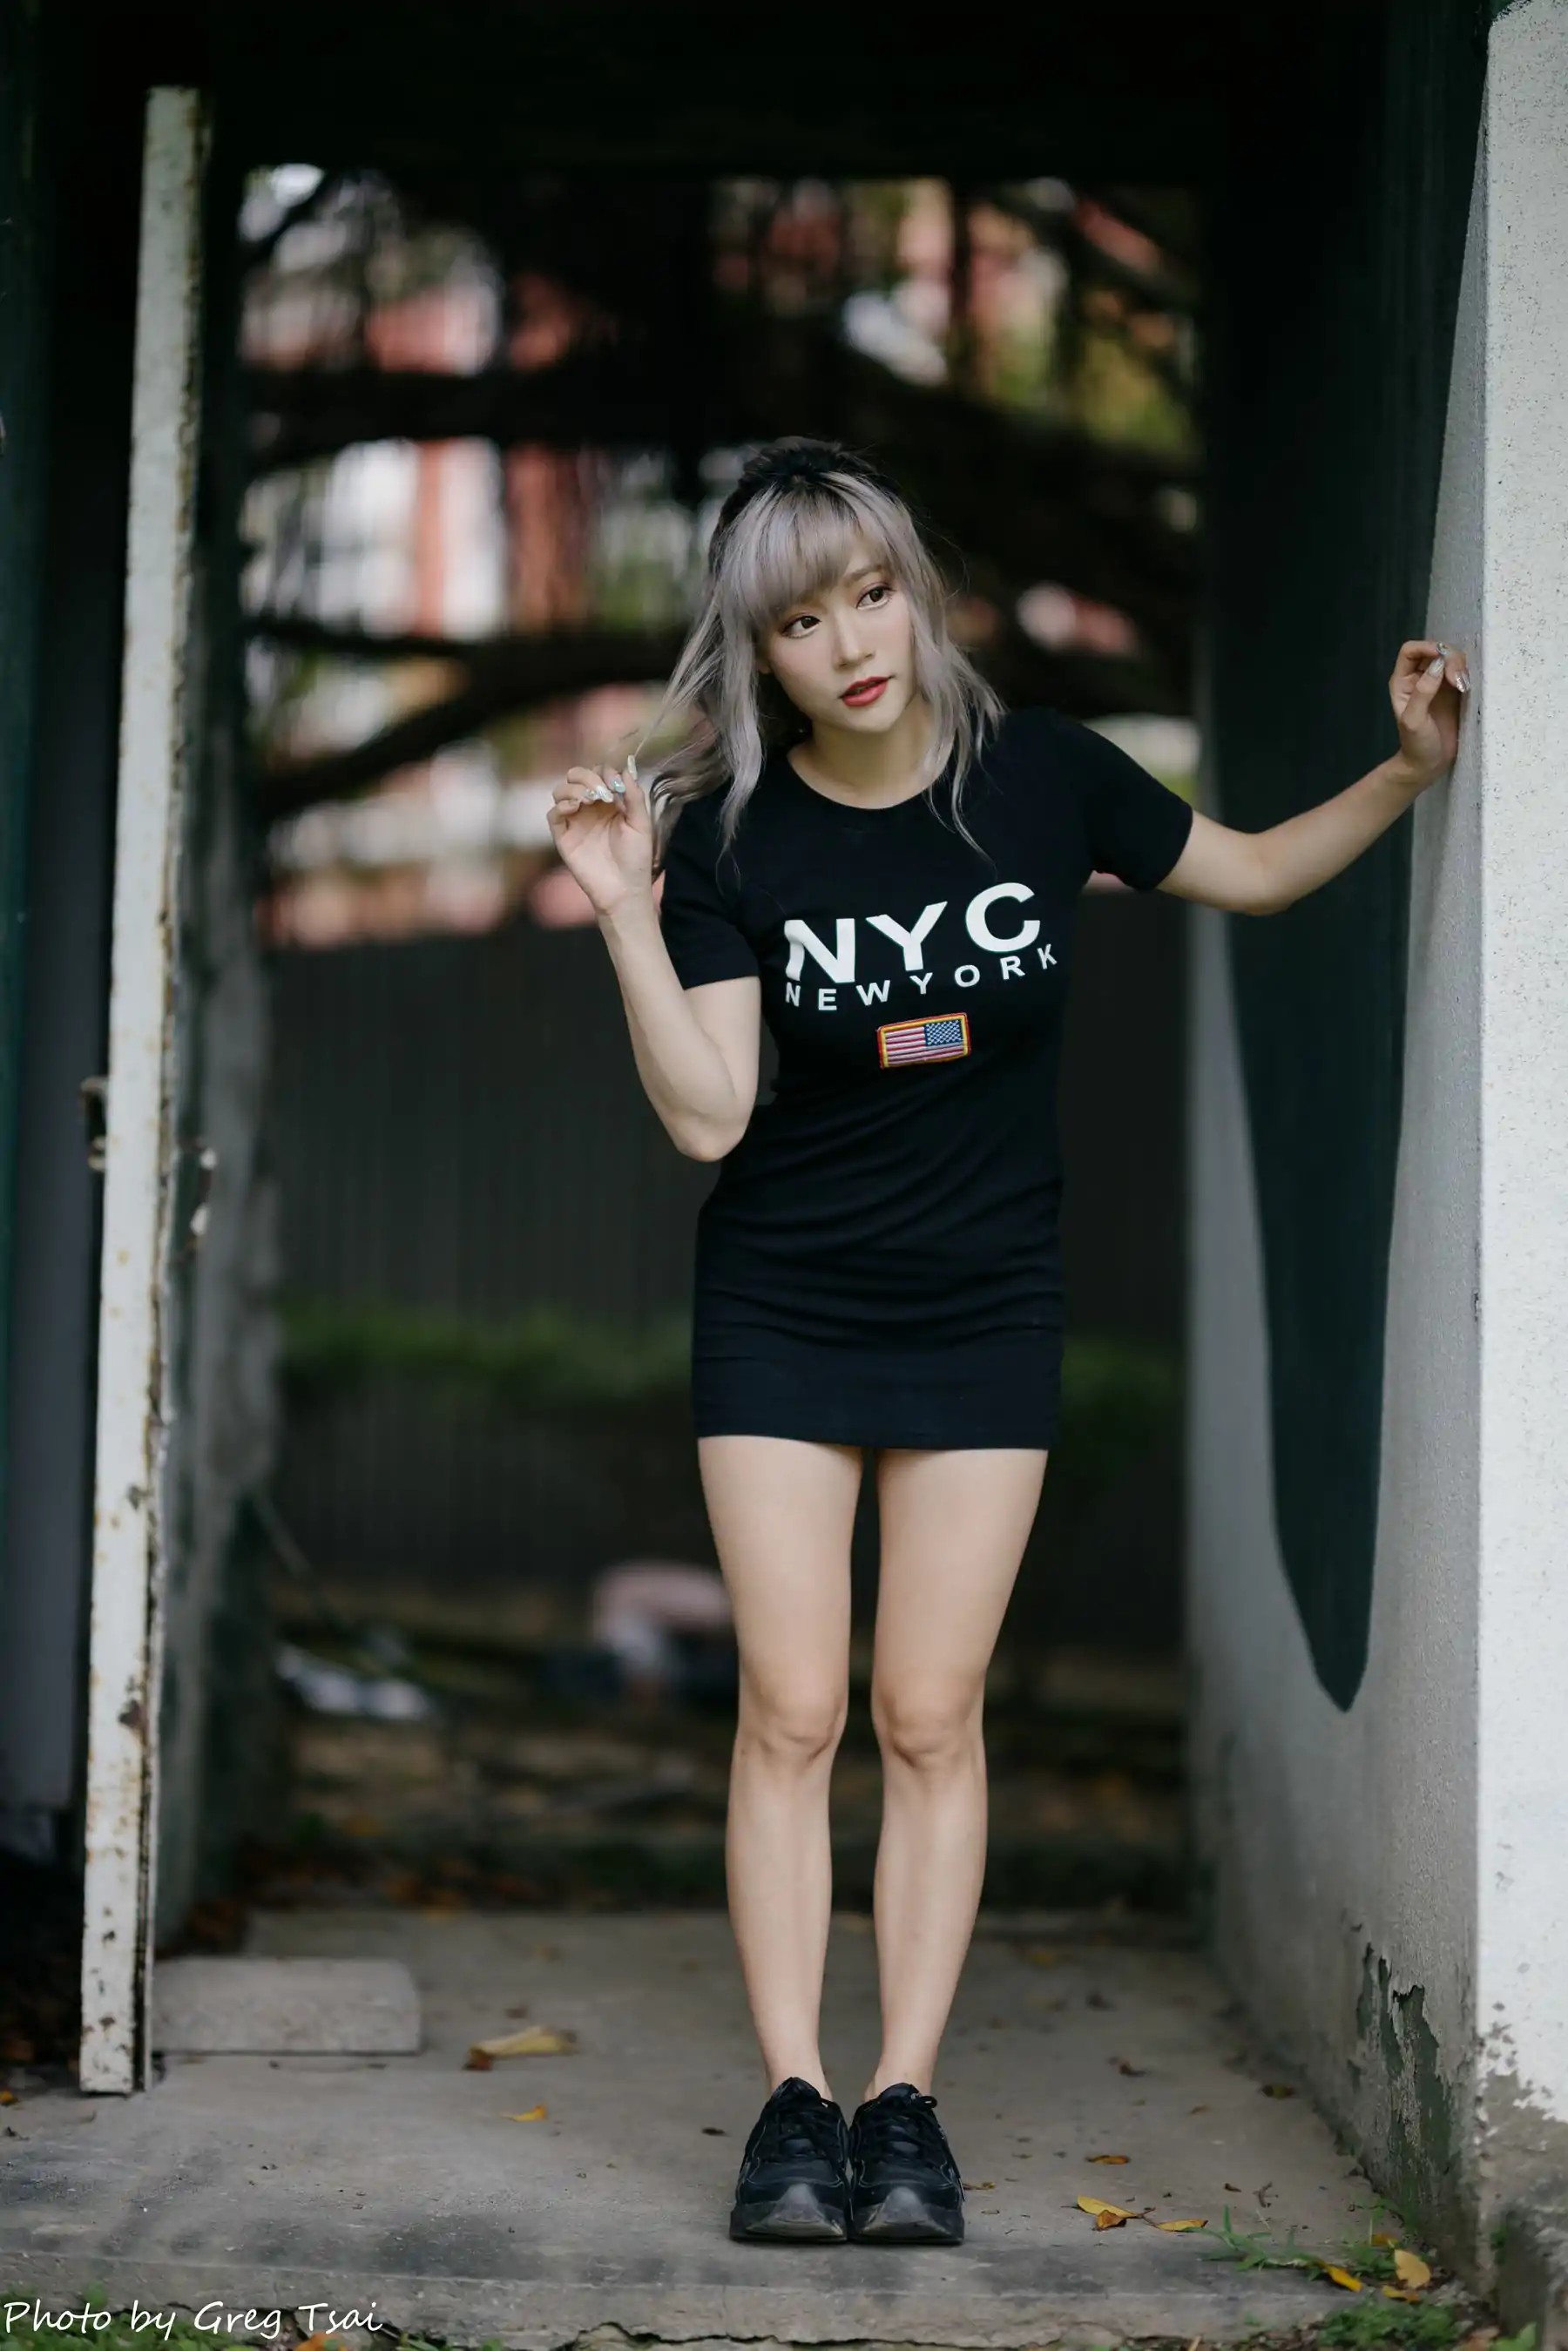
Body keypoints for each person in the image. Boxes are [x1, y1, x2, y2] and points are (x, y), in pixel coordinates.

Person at [548, 438, 1468, 2247]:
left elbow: (1259, 874)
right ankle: (793, 2102)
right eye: (802, 621)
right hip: (784, 1301)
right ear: (759, 650)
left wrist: (1410, 770)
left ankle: (904, 2097)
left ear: (918, 593)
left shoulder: (1044, 778)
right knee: (793, 1709)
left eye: (871, 594)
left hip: (983, 1300)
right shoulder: (725, 836)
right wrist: (629, 917)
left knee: (928, 1709)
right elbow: (711, 1115)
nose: (850, 644)